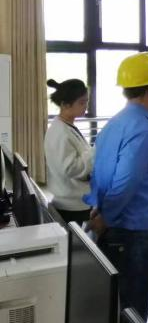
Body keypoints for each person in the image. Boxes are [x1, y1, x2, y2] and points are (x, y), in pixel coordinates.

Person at [84, 52, 148, 321]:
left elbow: (101, 171)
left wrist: (100, 208)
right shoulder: (143, 131)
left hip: (117, 224)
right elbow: (125, 182)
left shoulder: (115, 123)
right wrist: (107, 217)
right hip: (136, 231)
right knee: (134, 306)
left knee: (120, 300)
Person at [44, 78, 93, 225]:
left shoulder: (67, 127)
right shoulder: (60, 132)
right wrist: (96, 151)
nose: (86, 106)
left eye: (86, 101)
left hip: (77, 201)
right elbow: (71, 168)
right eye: (82, 102)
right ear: (65, 104)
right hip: (71, 206)